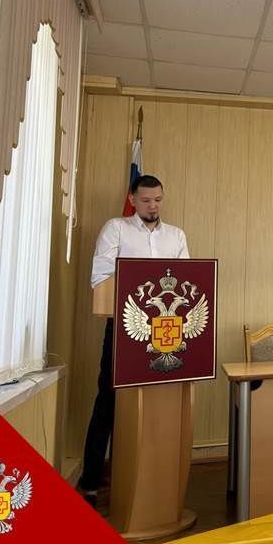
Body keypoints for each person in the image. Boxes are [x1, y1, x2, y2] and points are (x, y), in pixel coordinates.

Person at [77, 175, 189, 506]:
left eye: (158, 200)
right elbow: (101, 277)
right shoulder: (116, 229)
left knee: (157, 401)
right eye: (146, 200)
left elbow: (187, 281)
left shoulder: (176, 236)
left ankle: (151, 478)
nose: (153, 206)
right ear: (132, 199)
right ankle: (91, 481)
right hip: (125, 327)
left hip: (165, 330)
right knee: (109, 400)